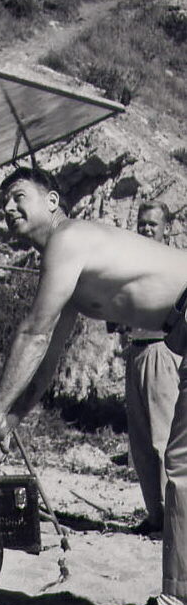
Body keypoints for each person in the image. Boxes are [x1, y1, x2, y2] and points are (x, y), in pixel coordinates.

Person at [0, 166, 187, 605]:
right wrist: (9, 424)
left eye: (18, 196)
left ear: (52, 201)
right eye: (3, 202)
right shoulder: (68, 266)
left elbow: (32, 332)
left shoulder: (67, 239)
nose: (7, 207)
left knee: (182, 465)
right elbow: (46, 361)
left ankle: (178, 603)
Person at [118, 202, 182, 534]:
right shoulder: (132, 263)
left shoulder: (175, 263)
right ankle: (155, 517)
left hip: (161, 350)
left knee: (164, 440)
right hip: (136, 350)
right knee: (141, 443)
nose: (145, 229)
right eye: (141, 223)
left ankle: (175, 521)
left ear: (166, 228)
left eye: (152, 224)